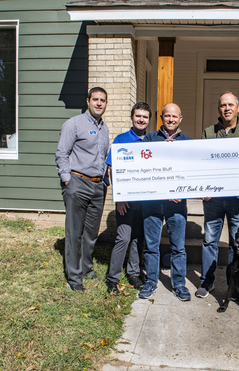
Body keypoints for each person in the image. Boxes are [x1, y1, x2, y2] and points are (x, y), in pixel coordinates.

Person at [196, 92, 239, 298]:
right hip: (213, 199)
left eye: (230, 105)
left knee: (238, 242)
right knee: (210, 240)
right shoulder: (209, 132)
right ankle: (206, 282)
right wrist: (202, 187)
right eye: (223, 105)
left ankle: (233, 285)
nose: (226, 108)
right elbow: (201, 162)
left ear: (238, 108)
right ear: (219, 109)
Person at [55, 87, 109, 292]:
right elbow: (61, 153)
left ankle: (86, 268)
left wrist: (104, 182)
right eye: (95, 99)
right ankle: (74, 276)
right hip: (78, 182)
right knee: (74, 232)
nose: (99, 103)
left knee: (91, 233)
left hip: (98, 185)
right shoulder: (74, 124)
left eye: (102, 100)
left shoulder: (104, 128)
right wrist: (67, 180)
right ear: (88, 101)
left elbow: (103, 157)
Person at [138, 103, 192, 301]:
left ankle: (179, 284)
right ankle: (151, 282)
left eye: (174, 116)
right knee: (151, 245)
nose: (171, 119)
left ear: (180, 118)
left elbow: (191, 172)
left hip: (176, 204)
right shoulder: (149, 139)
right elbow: (142, 167)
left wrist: (184, 190)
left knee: (178, 247)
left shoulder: (188, 142)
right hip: (152, 202)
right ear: (161, 117)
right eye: (167, 116)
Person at [104, 102, 152, 294]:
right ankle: (112, 278)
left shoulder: (152, 140)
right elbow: (112, 170)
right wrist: (120, 198)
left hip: (146, 202)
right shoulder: (121, 140)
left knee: (137, 239)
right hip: (126, 201)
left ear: (149, 119)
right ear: (132, 117)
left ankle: (133, 273)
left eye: (145, 117)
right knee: (123, 238)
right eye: (138, 116)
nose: (141, 119)